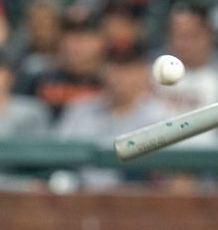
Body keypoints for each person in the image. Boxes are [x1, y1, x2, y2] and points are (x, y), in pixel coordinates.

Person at [54, 45, 167, 189]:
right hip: (78, 194)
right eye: (115, 67)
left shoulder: (158, 117)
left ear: (143, 74)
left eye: (128, 69)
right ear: (102, 71)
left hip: (132, 198)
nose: (120, 76)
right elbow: (57, 155)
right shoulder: (80, 110)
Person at [155, 3, 218, 142]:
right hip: (157, 159)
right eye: (176, 35)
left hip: (212, 159)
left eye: (191, 35)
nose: (183, 43)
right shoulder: (150, 68)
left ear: (209, 34)